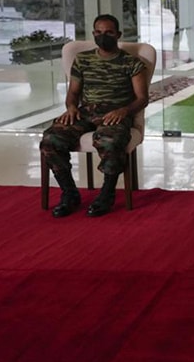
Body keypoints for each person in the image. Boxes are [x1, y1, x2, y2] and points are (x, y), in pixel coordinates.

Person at [40, 14, 148, 217]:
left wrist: (124, 111)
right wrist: (71, 107)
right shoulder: (83, 59)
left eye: (108, 32)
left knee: (109, 141)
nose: (103, 36)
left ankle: (106, 195)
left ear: (118, 34)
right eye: (98, 32)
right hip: (86, 111)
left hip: (115, 113)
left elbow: (142, 98)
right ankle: (69, 194)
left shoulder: (131, 62)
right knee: (50, 139)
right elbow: (73, 93)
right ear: (93, 34)